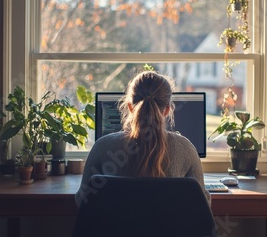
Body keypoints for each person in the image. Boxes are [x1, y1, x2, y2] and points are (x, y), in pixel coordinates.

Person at [75, 71, 210, 206]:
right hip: (169, 228)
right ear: (168, 109)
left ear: (130, 106)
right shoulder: (186, 149)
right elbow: (203, 204)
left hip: (116, 227)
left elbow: (82, 200)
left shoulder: (102, 147)